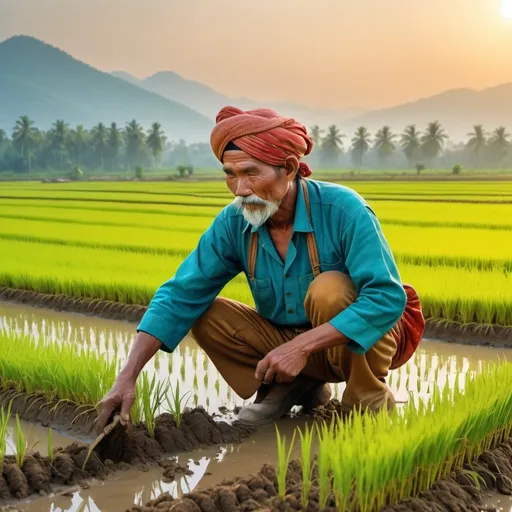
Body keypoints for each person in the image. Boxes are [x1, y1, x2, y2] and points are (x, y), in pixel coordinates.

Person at [96, 106, 425, 431]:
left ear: (290, 168)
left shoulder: (343, 209)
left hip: (351, 344)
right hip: (286, 341)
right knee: (204, 312)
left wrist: (300, 347)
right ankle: (292, 385)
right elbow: (180, 294)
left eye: (251, 173)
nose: (240, 189)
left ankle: (366, 398)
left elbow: (385, 298)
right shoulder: (233, 222)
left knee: (330, 290)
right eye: (230, 174)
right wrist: (127, 376)